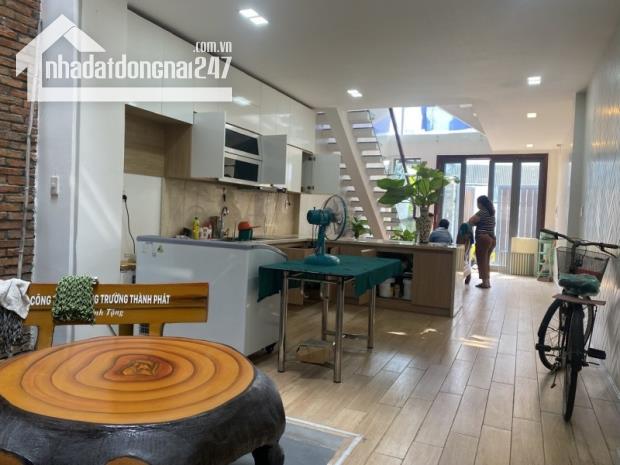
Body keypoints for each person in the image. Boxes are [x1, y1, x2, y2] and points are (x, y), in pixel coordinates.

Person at [468, 195, 496, 289]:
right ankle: (487, 282)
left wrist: (475, 224)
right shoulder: (491, 213)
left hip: (483, 238)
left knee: (481, 261)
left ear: (481, 203)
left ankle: (485, 283)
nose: (477, 205)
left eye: (477, 203)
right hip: (492, 239)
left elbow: (471, 221)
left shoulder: (482, 212)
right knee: (486, 261)